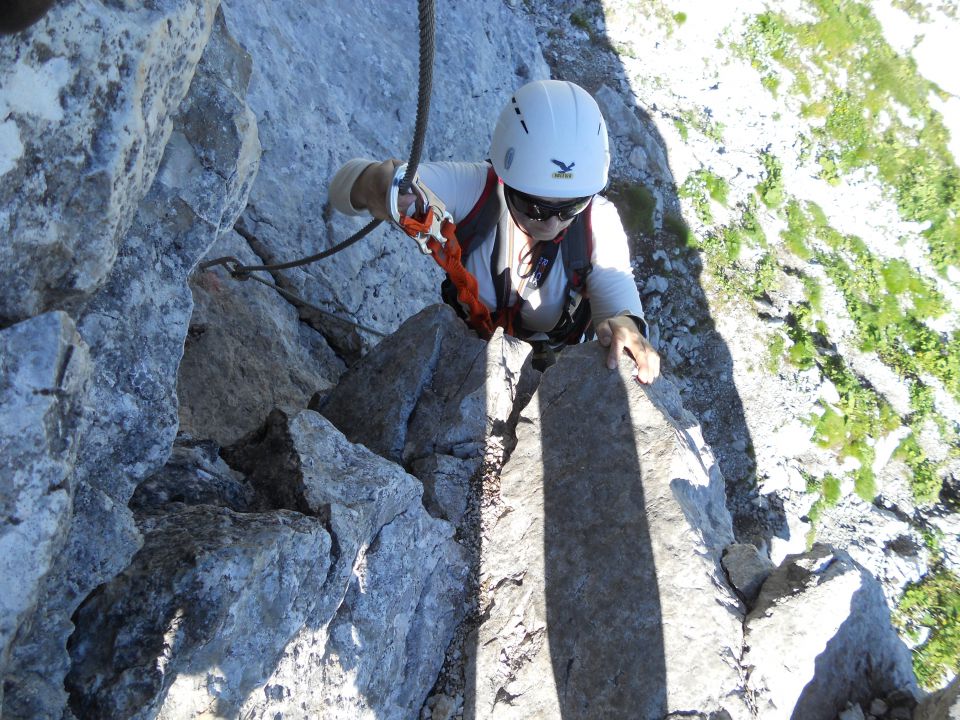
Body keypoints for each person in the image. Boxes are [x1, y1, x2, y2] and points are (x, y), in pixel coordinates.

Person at [329, 79, 660, 383]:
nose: (551, 223)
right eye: (534, 206)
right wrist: (379, 185)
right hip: (468, 350)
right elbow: (345, 188)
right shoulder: (477, 190)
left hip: (551, 364)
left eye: (570, 207)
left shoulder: (598, 220)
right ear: (505, 179)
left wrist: (627, 324)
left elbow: (615, 281)